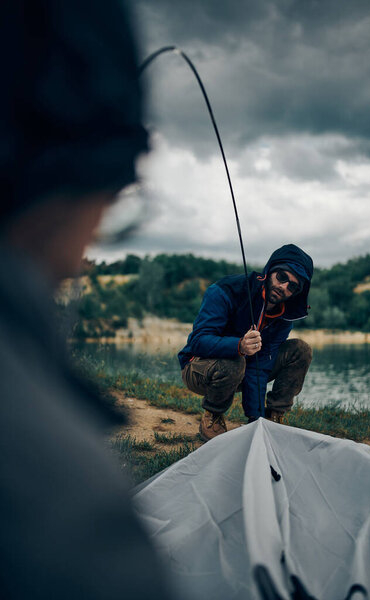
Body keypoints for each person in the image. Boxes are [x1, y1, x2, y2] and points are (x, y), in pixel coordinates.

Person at [0, 1, 175, 598]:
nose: (80, 258)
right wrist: (237, 344)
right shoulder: (69, 517)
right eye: (114, 205)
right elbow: (203, 344)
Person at [178, 244, 313, 441]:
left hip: (244, 370)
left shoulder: (284, 316)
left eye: (293, 286)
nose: (284, 287)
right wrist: (239, 346)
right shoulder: (224, 290)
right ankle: (213, 414)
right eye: (282, 277)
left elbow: (261, 366)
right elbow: (198, 342)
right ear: (270, 271)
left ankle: (272, 418)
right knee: (236, 359)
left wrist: (255, 418)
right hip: (198, 367)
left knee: (301, 350)